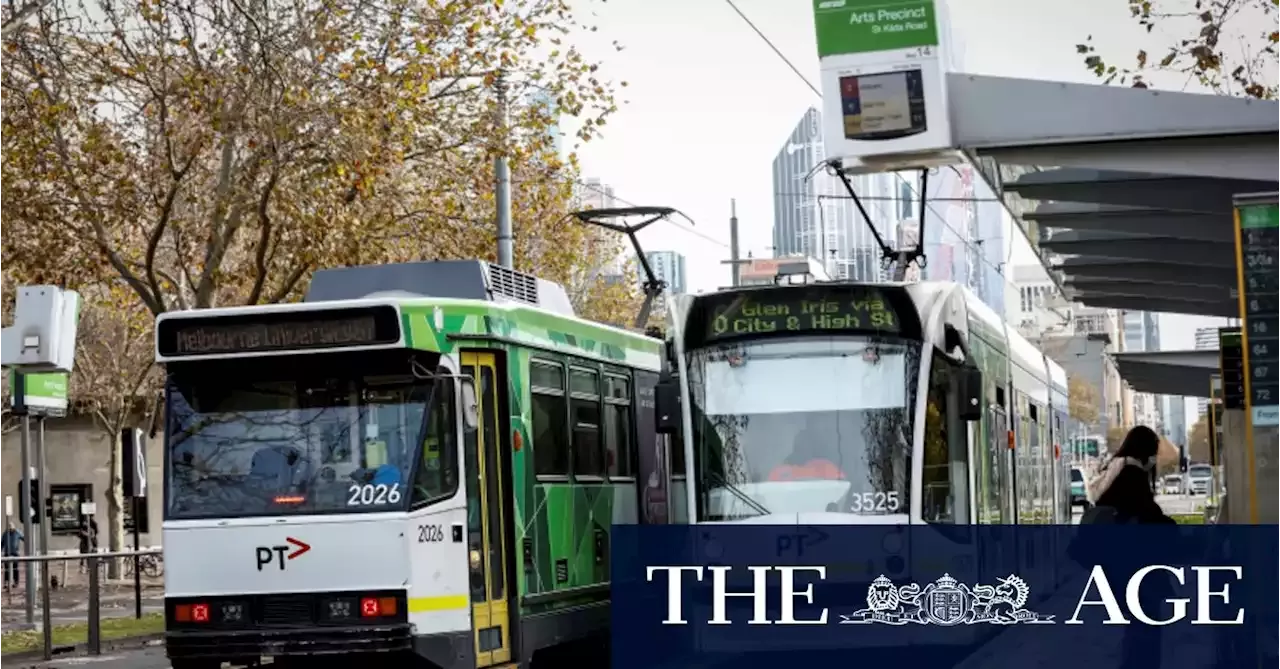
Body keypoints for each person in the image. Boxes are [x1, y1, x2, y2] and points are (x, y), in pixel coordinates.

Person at [1081, 425, 1175, 669]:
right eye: (1153, 450)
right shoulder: (1132, 474)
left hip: (1118, 564)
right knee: (1146, 627)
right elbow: (1148, 515)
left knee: (1137, 627)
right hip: (1134, 565)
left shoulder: (1116, 469)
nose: (1154, 457)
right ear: (1144, 450)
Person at [0, 523, 23, 589]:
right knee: (7, 569)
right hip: (7, 553)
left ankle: (16, 582)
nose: (10, 530)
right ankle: (6, 583)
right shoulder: (5, 533)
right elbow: (2, 543)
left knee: (15, 568)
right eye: (9, 528)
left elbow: (24, 538)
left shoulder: (17, 532)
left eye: (11, 528)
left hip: (15, 553)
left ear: (14, 527)